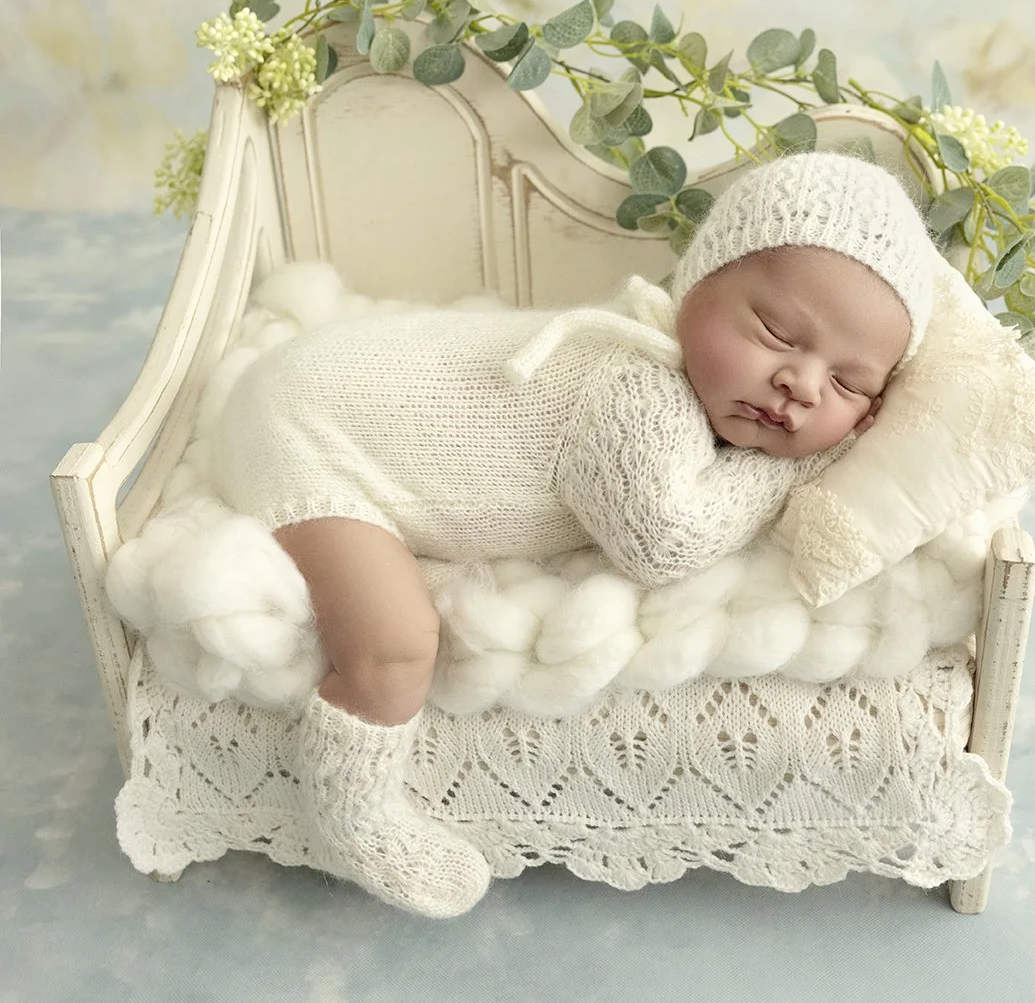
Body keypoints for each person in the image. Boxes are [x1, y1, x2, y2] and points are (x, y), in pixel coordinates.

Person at [209, 148, 941, 917]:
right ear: (696, 283)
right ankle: (351, 813)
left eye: (849, 383)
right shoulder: (636, 387)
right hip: (300, 432)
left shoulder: (694, 379)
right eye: (776, 331)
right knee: (396, 643)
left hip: (326, 383)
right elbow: (666, 539)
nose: (802, 383)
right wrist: (807, 461)